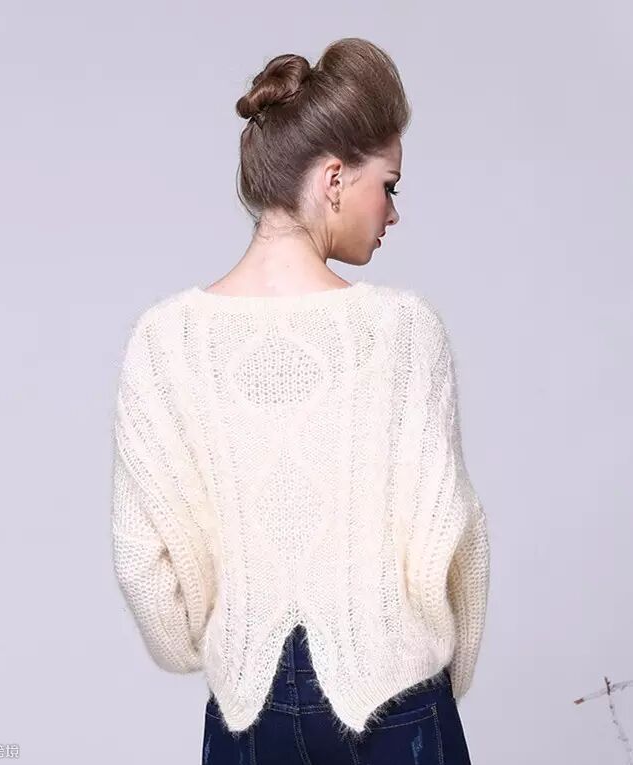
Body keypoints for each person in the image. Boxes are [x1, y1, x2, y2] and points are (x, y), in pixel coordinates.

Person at [110, 36, 490, 765]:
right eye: (390, 185)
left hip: (246, 711)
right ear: (335, 178)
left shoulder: (165, 341)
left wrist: (211, 649)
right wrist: (450, 666)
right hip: (396, 699)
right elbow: (454, 530)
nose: (392, 212)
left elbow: (140, 560)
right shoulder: (402, 330)